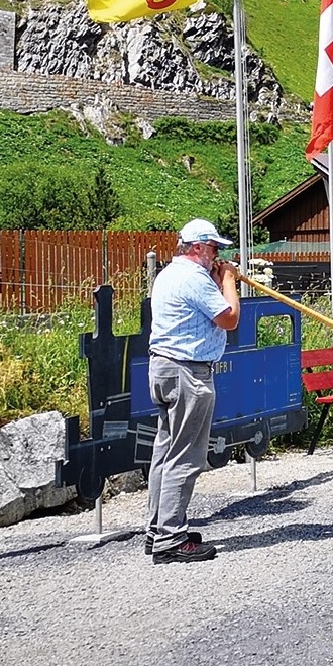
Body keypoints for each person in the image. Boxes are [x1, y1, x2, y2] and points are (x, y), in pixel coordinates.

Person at [144, 218, 241, 564]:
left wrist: (217, 281)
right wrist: (229, 281)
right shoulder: (194, 277)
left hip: (164, 367)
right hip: (188, 372)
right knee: (186, 455)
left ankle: (157, 529)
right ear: (198, 247)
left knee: (165, 450)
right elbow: (229, 319)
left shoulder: (168, 274)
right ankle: (171, 537)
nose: (218, 256)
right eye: (215, 249)